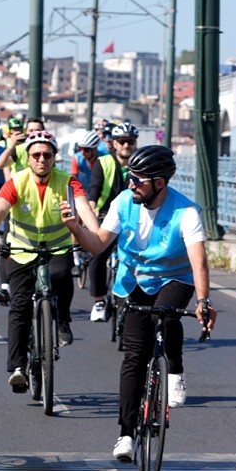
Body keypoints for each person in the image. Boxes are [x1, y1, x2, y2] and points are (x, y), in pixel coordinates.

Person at [60, 145, 217, 461]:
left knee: (167, 315)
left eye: (139, 180)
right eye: (130, 177)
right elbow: (98, 245)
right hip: (134, 280)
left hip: (175, 277)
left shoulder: (186, 211)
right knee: (134, 356)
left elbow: (198, 262)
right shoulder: (122, 202)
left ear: (159, 183)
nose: (131, 184)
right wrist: (75, 227)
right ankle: (126, 433)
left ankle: (175, 368)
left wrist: (203, 300)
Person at [0, 131, 100, 395]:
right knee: (20, 307)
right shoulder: (17, 182)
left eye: (47, 155)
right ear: (28, 157)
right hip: (21, 250)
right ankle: (17, 368)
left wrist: (96, 236)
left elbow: (85, 210)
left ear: (54, 157)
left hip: (56, 248)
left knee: (61, 275)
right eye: (36, 155)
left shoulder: (68, 182)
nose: (41, 160)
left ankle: (63, 320)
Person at [87, 121, 139, 322]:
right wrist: (92, 208)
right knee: (98, 254)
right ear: (114, 143)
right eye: (122, 141)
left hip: (134, 219)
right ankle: (99, 301)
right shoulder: (103, 162)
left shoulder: (141, 164)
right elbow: (95, 189)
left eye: (130, 142)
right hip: (107, 216)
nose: (126, 145)